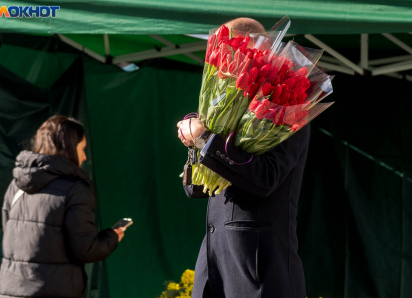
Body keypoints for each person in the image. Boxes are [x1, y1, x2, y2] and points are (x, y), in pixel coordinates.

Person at [177, 18, 309, 298]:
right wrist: (195, 142)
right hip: (215, 269)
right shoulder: (227, 103)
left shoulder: (285, 105)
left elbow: (266, 178)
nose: (221, 65)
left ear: (252, 50)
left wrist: (206, 139)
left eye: (227, 52)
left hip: (257, 274)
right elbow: (196, 190)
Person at [0, 115, 124, 298]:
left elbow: (9, 232)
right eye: (81, 149)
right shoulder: (76, 189)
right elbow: (85, 249)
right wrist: (113, 236)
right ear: (68, 149)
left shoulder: (16, 185)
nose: (84, 157)